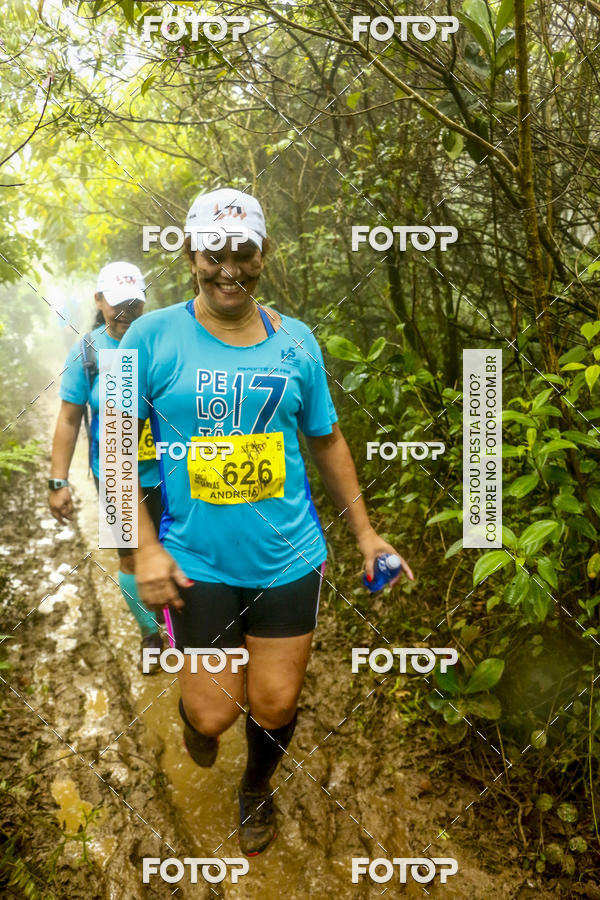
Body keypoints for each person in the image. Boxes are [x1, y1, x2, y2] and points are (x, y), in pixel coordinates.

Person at [120, 189, 414, 855]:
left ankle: (256, 784)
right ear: (191, 255)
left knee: (276, 704)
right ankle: (197, 714)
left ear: (263, 254)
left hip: (288, 555)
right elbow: (113, 444)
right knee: (213, 710)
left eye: (244, 253)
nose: (230, 268)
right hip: (196, 557)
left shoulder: (297, 341)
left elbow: (328, 439)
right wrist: (142, 547)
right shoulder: (149, 336)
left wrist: (365, 534)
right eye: (214, 254)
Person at [49, 262, 165, 673]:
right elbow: (68, 418)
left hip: (171, 472)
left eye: (135, 304)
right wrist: (58, 480)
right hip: (114, 474)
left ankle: (193, 627)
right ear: (99, 301)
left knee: (181, 551)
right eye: (118, 304)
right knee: (132, 557)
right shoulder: (88, 352)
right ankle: (151, 634)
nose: (126, 313)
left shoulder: (160, 342)